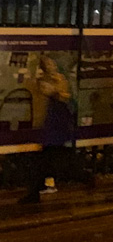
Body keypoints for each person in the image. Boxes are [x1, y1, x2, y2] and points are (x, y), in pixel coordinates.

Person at [20, 60, 94, 204]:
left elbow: (62, 119)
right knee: (45, 165)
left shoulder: (59, 99)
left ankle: (85, 177)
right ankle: (35, 192)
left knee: (59, 167)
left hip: (56, 139)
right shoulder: (52, 99)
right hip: (52, 138)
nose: (43, 88)